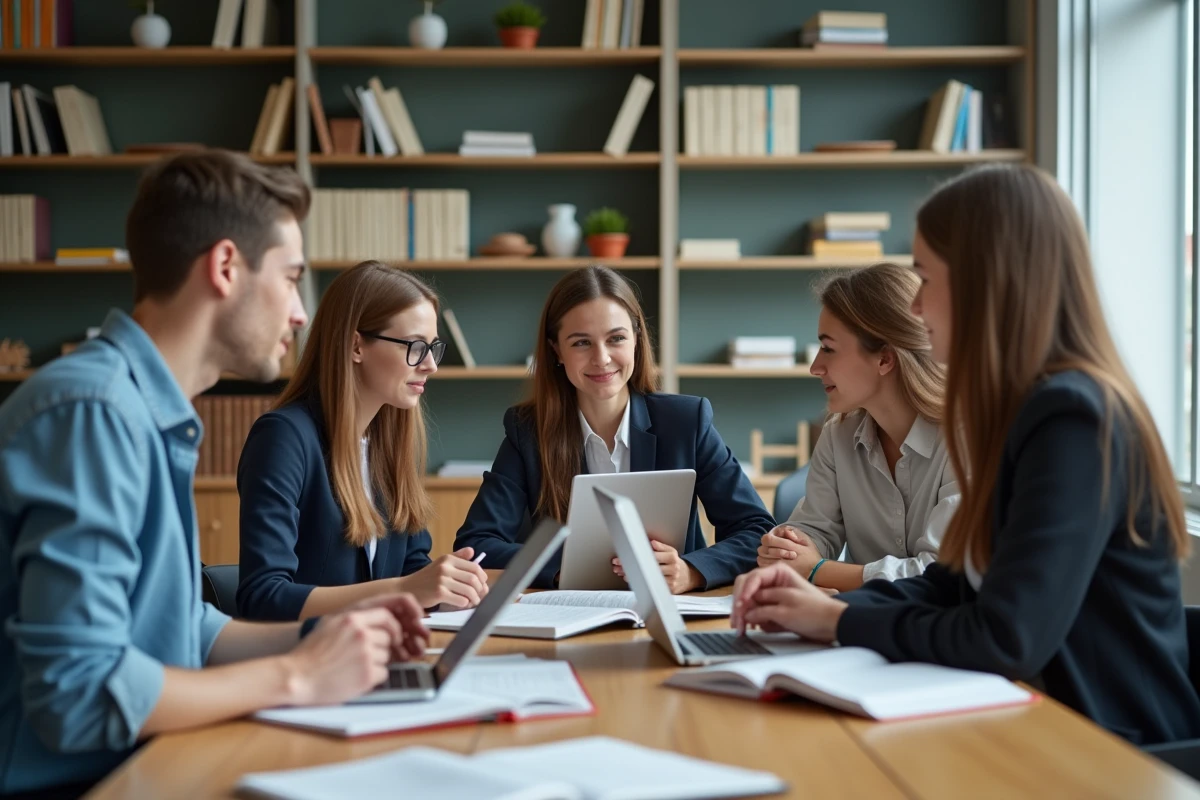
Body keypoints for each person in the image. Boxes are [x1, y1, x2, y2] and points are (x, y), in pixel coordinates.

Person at [0, 151, 429, 798]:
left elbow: (182, 627)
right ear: (226, 267)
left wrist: (332, 640)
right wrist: (300, 677)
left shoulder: (147, 410)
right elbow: (81, 694)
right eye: (291, 279)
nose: (301, 314)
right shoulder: (94, 414)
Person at [731, 163, 1200, 745]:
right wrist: (815, 607)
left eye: (925, 278)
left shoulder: (1074, 418)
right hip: (1037, 719)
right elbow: (954, 584)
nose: (918, 308)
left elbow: (1005, 635)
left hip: (1111, 750)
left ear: (985, 281)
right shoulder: (1025, 408)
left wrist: (839, 617)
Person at [455, 265, 774, 592]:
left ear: (636, 338)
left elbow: (756, 531)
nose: (602, 358)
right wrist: (562, 567)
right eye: (581, 343)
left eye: (616, 338)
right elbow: (476, 545)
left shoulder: (686, 421)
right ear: (556, 351)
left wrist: (690, 570)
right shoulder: (528, 432)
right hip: (568, 617)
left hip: (674, 614)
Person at [236, 261, 489, 620]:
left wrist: (448, 594)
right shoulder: (283, 438)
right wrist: (406, 591)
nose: (431, 364)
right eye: (416, 346)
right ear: (356, 346)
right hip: (310, 662)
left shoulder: (389, 441)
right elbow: (263, 597)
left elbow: (411, 568)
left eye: (434, 347)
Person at [755, 263, 957, 592]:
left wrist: (817, 569)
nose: (815, 367)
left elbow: (941, 576)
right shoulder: (839, 434)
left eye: (828, 349)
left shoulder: (968, 438)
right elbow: (816, 531)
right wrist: (790, 546)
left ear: (885, 359)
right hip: (867, 625)